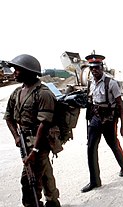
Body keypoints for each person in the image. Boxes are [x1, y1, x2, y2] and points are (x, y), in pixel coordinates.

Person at [4, 54, 61, 207]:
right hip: (25, 141)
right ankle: (53, 201)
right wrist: (16, 137)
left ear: (28, 71)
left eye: (17, 70)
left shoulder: (43, 93)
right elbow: (8, 117)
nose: (14, 72)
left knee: (29, 181)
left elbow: (44, 124)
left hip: (41, 142)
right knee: (44, 172)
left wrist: (34, 151)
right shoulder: (16, 93)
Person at [81, 54, 123, 193]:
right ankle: (95, 180)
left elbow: (120, 105)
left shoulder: (111, 83)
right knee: (90, 148)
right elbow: (91, 101)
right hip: (95, 118)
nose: (94, 70)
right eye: (92, 68)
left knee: (113, 144)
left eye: (97, 67)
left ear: (102, 67)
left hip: (108, 119)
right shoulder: (90, 83)